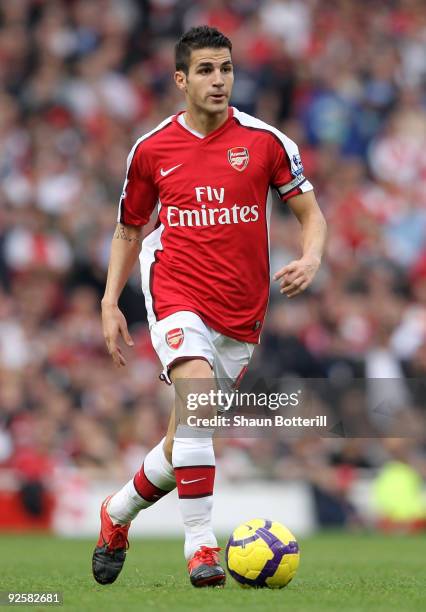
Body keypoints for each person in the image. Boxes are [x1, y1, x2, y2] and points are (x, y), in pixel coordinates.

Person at [92, 25, 327, 588]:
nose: (218, 80)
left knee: (183, 443)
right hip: (174, 286)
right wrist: (108, 300)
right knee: (195, 396)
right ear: (181, 79)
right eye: (205, 70)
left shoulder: (267, 142)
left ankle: (116, 513)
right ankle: (201, 547)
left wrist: (312, 256)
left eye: (225, 68)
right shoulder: (152, 150)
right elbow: (129, 228)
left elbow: (311, 214)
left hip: (242, 314)